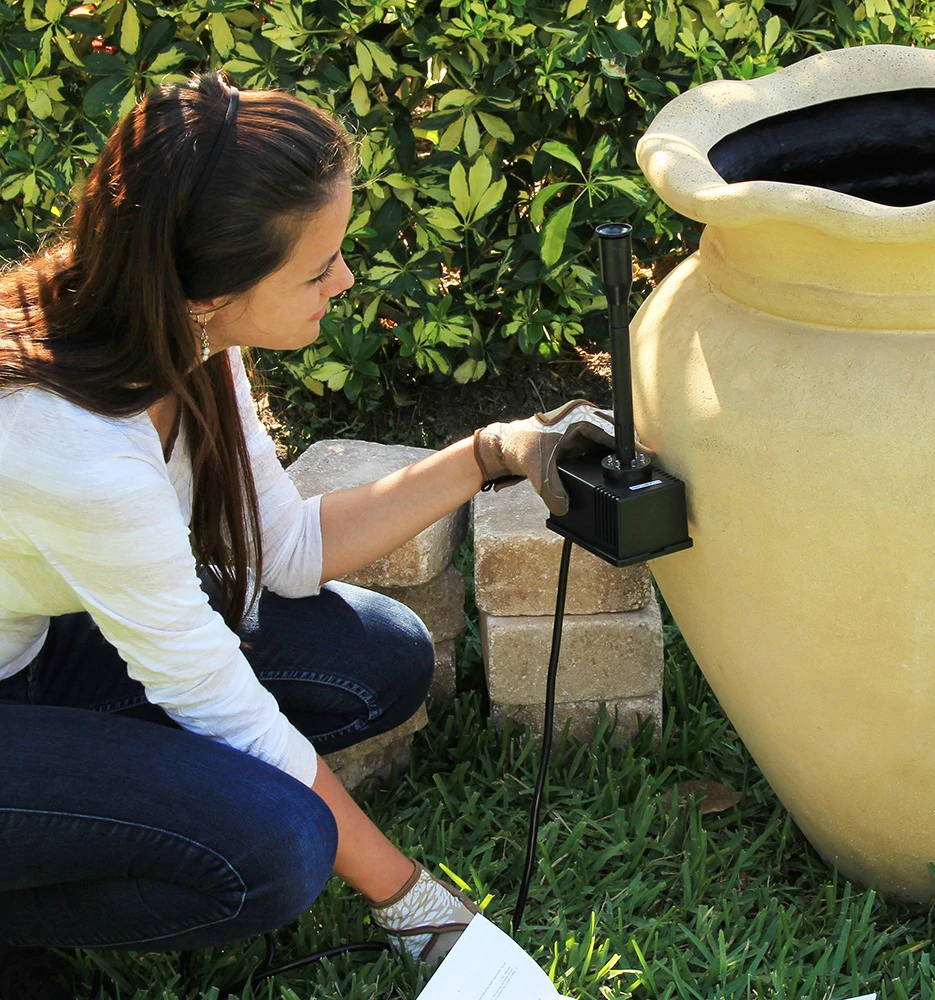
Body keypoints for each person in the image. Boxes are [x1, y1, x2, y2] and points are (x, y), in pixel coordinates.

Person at [0, 69, 616, 983]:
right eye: (318, 267)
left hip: (34, 648)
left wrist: (493, 449)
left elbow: (285, 551)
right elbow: (221, 705)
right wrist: (418, 906)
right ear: (210, 285)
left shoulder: (182, 332)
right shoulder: (72, 449)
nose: (347, 277)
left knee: (378, 657)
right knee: (280, 848)